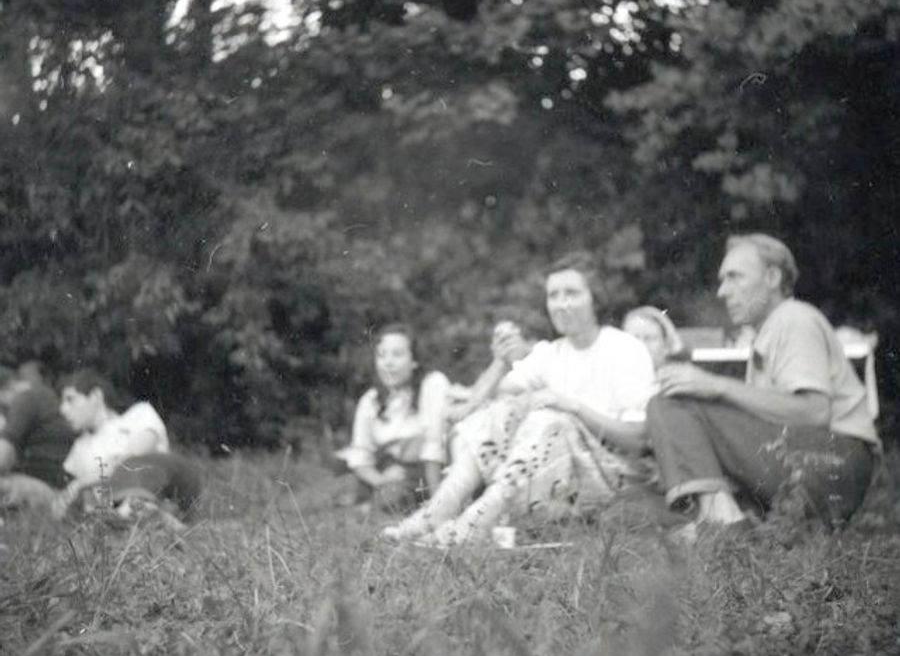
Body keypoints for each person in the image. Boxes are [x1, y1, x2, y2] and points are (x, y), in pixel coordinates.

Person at [383, 252, 656, 545]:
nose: (561, 304)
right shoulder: (552, 352)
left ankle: (475, 522)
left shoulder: (624, 348)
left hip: (615, 477)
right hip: (561, 477)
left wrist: (573, 407)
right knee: (502, 411)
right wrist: (501, 361)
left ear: (595, 299)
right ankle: (438, 511)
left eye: (572, 294)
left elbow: (639, 440)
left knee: (550, 418)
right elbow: (492, 401)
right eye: (553, 295)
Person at [647, 233, 881, 531]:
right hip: (815, 465)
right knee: (637, 507)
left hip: (835, 460)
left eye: (735, 277)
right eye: (722, 280)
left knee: (670, 405)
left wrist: (716, 386)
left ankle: (724, 526)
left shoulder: (794, 318)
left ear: (772, 277)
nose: (722, 291)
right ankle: (727, 521)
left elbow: (814, 412)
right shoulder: (771, 330)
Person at [55, 370, 202, 521]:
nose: (63, 409)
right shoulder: (78, 450)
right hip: (115, 502)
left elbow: (136, 452)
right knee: (87, 502)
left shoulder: (138, 414)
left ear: (96, 396)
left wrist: (81, 482)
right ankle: (146, 515)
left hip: (172, 487)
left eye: (70, 400)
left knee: (133, 463)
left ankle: (136, 509)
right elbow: (71, 499)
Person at [336, 324, 450, 511]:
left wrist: (439, 502)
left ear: (414, 361)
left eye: (397, 355)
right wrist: (380, 480)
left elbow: (434, 445)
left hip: (434, 468)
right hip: (393, 473)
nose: (388, 363)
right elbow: (360, 455)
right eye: (381, 355)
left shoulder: (433, 384)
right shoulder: (370, 400)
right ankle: (371, 502)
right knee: (389, 496)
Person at [0, 361, 75, 508]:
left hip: (57, 493)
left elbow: (3, 456)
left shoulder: (25, 398)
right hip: (55, 487)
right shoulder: (39, 396)